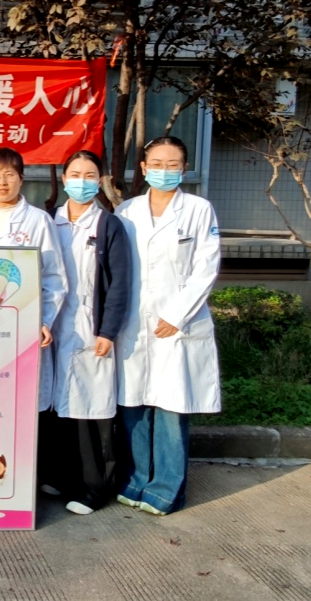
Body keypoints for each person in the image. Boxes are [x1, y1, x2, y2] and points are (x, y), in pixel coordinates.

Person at [114, 136, 221, 516]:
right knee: (134, 406)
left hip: (177, 325)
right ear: (143, 168)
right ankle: (135, 480)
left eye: (172, 165)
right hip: (134, 323)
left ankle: (166, 491)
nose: (164, 171)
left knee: (172, 408)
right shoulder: (126, 211)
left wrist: (176, 316)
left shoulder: (198, 210)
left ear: (184, 169)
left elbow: (206, 268)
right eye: (156, 164)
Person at [45, 150, 132, 516]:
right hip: (53, 324)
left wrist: (108, 330)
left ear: (99, 181)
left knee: (91, 410)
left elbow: (120, 284)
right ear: (64, 179)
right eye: (75, 174)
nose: (82, 181)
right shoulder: (49, 220)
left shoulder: (108, 225)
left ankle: (95, 489)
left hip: (90, 328)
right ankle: (62, 477)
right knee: (58, 406)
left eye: (90, 175)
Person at [0, 147, 66, 354]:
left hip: (24, 319)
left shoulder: (38, 220)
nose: (2, 182)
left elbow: (54, 277)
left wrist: (44, 320)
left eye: (9, 175)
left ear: (21, 179)